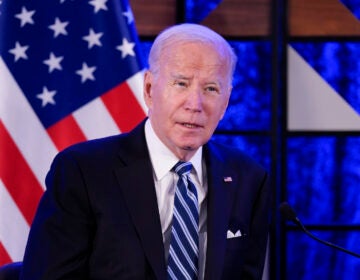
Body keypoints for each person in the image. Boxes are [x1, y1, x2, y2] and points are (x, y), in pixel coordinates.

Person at [20, 23, 270, 279]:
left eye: (211, 89)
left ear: (226, 101)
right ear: (150, 89)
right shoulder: (83, 172)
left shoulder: (248, 178)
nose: (195, 104)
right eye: (181, 83)